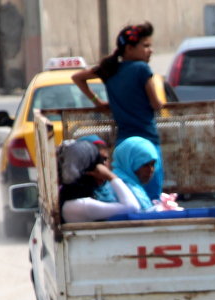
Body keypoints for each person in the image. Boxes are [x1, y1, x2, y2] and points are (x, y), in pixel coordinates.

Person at [71, 22, 166, 199]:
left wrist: (97, 102)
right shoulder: (141, 69)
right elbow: (156, 104)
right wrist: (160, 103)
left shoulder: (110, 69)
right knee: (152, 196)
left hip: (123, 145)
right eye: (145, 46)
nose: (150, 50)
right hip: (146, 142)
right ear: (129, 49)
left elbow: (77, 77)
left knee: (128, 193)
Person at [58, 139, 142, 222]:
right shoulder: (83, 205)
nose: (102, 168)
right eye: (97, 164)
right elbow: (133, 207)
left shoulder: (72, 197)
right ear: (89, 170)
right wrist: (111, 176)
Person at [111, 135, 176, 212]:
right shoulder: (122, 186)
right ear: (129, 162)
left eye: (153, 164)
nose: (151, 170)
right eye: (145, 165)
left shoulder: (135, 186)